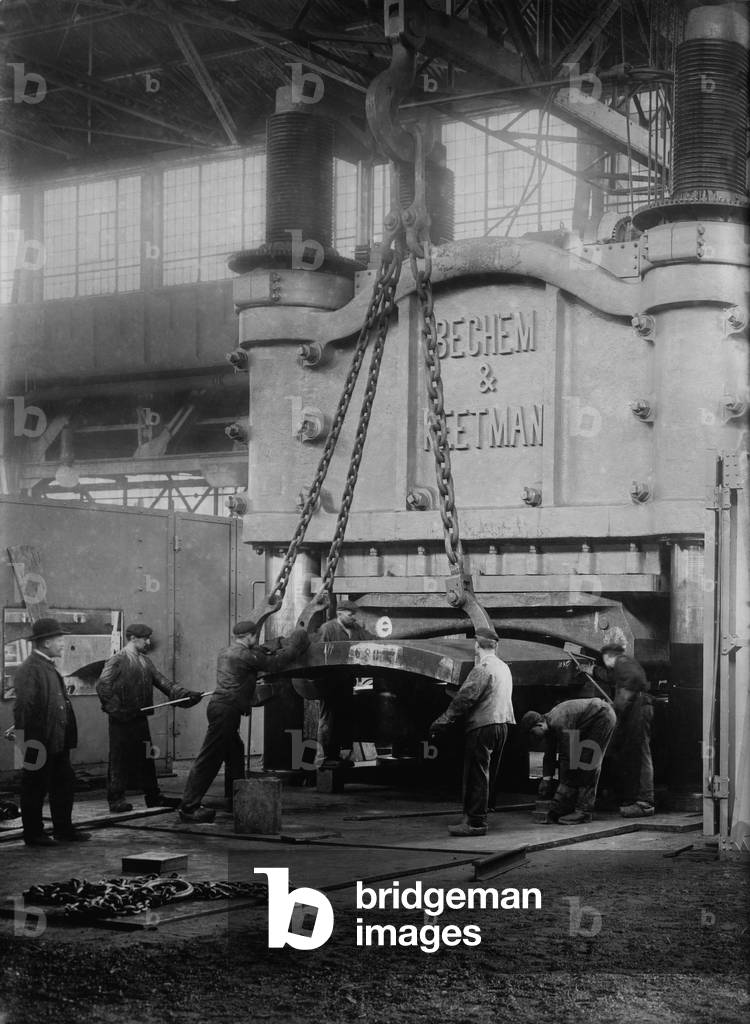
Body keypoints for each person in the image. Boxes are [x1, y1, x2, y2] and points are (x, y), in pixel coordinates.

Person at [178, 618, 310, 822]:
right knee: (209, 759)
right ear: (251, 636)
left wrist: (272, 646)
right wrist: (297, 643)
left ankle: (235, 799)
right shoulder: (244, 655)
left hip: (221, 708)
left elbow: (259, 653)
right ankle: (189, 807)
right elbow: (274, 664)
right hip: (226, 711)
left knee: (235, 753)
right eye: (254, 636)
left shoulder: (228, 651)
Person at [96, 623, 204, 813]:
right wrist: (118, 711)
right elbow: (103, 686)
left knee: (147, 757)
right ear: (132, 638)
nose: (148, 642)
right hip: (121, 720)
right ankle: (116, 799)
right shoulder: (117, 660)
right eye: (145, 638)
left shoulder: (145, 661)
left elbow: (164, 683)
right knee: (119, 759)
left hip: (139, 718)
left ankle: (153, 797)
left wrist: (187, 695)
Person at [11, 618, 91, 846]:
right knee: (34, 787)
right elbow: (23, 708)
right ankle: (34, 834)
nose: (63, 644)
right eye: (59, 639)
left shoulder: (46, 667)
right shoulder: (30, 669)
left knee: (64, 784)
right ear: (46, 642)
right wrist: (25, 743)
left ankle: (64, 830)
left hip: (57, 740)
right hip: (39, 741)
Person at [429, 627, 515, 838]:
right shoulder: (504, 667)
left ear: (477, 646)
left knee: (476, 774)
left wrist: (443, 720)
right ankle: (482, 813)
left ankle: (475, 822)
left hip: (482, 725)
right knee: (487, 773)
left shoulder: (482, 668)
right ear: (496, 646)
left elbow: (466, 698)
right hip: (501, 724)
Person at [520, 697, 616, 824]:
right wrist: (546, 779)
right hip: (589, 721)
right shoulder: (549, 725)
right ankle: (571, 807)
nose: (532, 737)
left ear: (539, 724)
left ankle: (584, 812)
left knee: (587, 763)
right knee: (579, 763)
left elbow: (568, 757)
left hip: (602, 716)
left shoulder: (559, 722)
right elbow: (549, 754)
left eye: (532, 733)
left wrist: (559, 800)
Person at [314, 601, 373, 769]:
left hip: (347, 682)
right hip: (330, 682)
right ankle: (325, 757)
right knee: (328, 719)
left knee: (344, 717)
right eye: (350, 614)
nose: (353, 617)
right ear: (340, 613)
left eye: (354, 614)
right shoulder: (328, 629)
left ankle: (342, 755)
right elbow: (319, 655)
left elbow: (371, 640)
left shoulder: (356, 629)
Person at [601, 641, 655, 818]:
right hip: (637, 709)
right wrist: (593, 671)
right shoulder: (624, 664)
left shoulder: (622, 662)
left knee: (641, 753)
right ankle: (635, 799)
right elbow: (615, 678)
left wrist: (617, 706)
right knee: (634, 753)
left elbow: (633, 679)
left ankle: (645, 803)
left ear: (608, 657)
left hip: (638, 709)